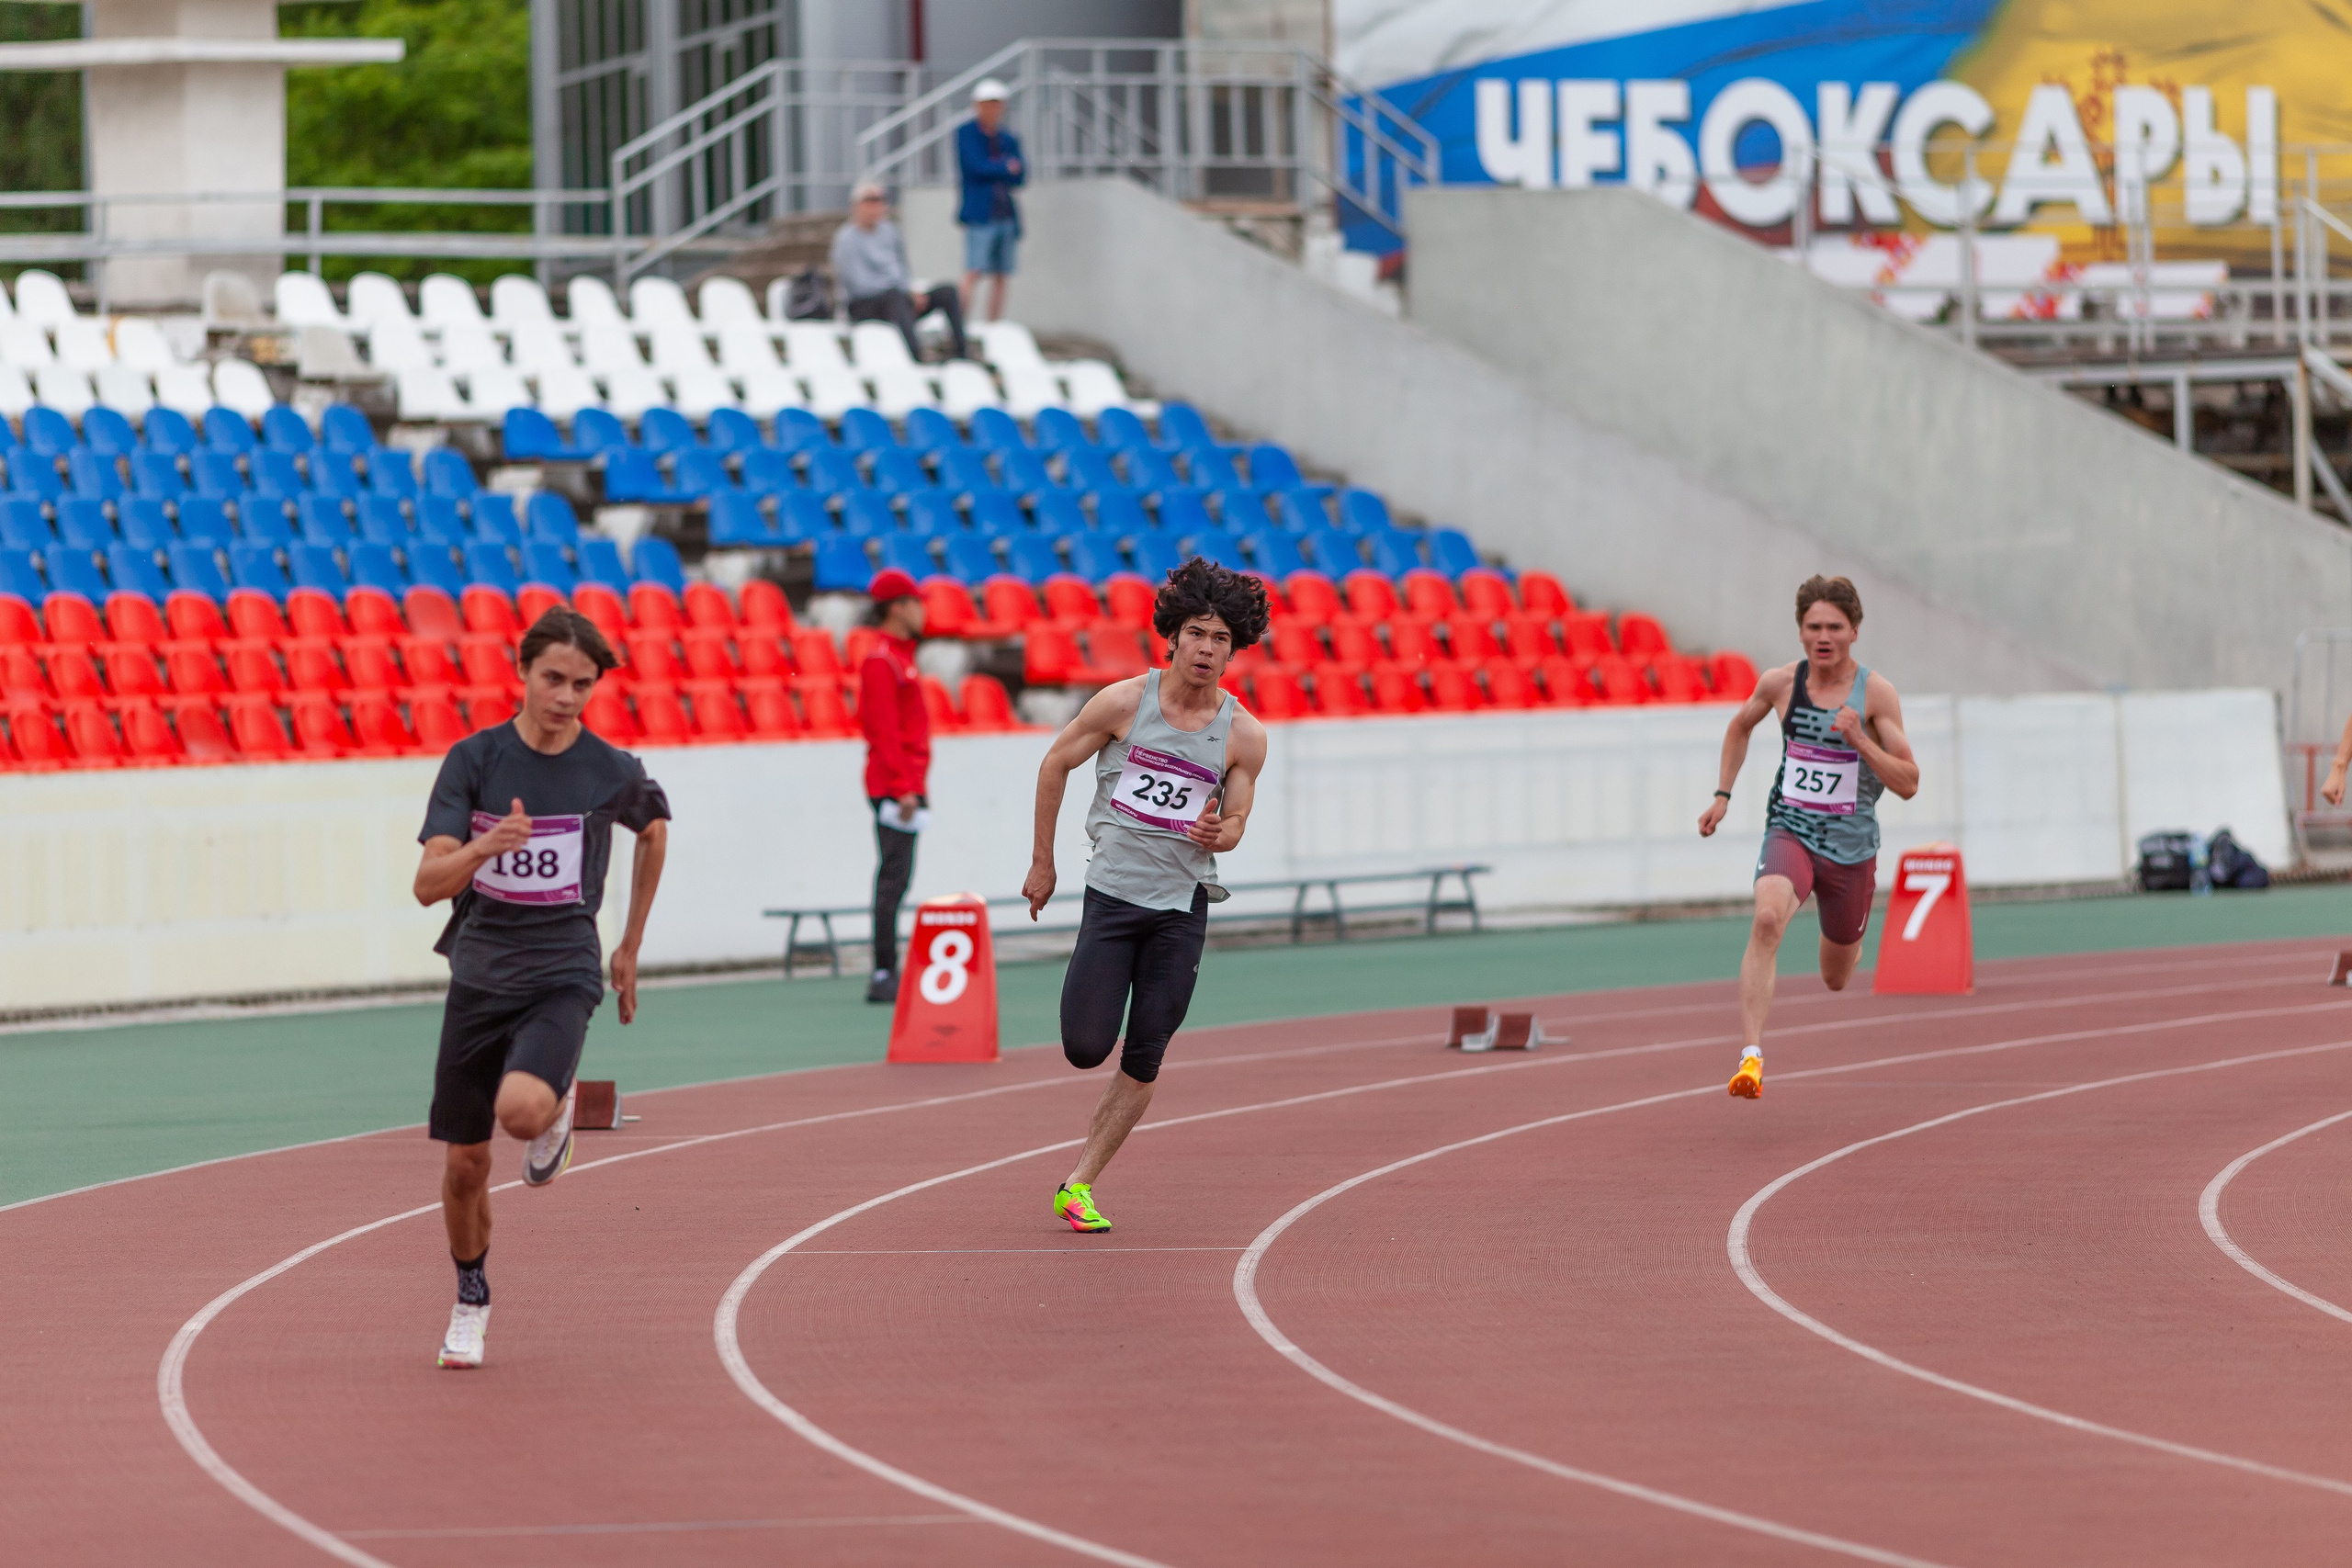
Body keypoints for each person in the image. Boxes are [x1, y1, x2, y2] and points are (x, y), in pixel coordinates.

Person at [413, 607, 671, 1369]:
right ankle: (471, 1299)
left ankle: (554, 1104)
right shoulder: (476, 760)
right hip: (480, 971)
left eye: (581, 684)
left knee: (519, 1112)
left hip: (562, 967)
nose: (565, 696)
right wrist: (486, 846)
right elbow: (428, 883)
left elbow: (653, 830)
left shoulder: (609, 769)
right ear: (521, 672)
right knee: (465, 1164)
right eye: (552, 678)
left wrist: (629, 942)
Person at [1023, 559, 1271, 1232]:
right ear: (1173, 635)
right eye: (1196, 633)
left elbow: (1241, 819)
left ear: (1235, 647)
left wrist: (1224, 832)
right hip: (1111, 900)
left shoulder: (1243, 735)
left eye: (1221, 638)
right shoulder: (1124, 702)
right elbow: (1054, 762)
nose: (1207, 649)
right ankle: (1081, 1162)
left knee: (1146, 1049)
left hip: (1179, 913)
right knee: (1083, 1045)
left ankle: (1079, 1183)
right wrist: (1043, 863)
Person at [1697, 576, 1918, 1099]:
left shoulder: (1876, 694)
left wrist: (1859, 739)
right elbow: (1738, 727)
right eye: (1813, 627)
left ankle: (1848, 936)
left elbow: (1909, 783)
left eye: (1834, 627)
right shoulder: (1780, 683)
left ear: (1855, 632)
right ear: (1800, 632)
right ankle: (1751, 1058)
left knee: (1836, 976)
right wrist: (1722, 796)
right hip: (1791, 828)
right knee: (1768, 917)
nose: (1824, 637)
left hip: (1851, 847)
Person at [859, 568, 931, 1005]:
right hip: (894, 787)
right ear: (898, 607)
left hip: (905, 784)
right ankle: (883, 970)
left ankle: (887, 967)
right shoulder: (882, 660)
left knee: (897, 878)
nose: (923, 611)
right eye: (916, 601)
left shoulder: (900, 657)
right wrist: (904, 787)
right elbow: (882, 731)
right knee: (892, 879)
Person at [831, 179, 969, 363]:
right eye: (870, 200)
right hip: (863, 305)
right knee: (894, 296)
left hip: (898, 300)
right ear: (857, 205)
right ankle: (917, 355)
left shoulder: (890, 232)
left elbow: (902, 269)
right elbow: (857, 284)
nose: (877, 206)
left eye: (880, 200)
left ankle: (962, 352)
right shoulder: (846, 239)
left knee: (947, 292)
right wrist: (901, 292)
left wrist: (909, 292)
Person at [956, 78, 1025, 324]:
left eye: (996, 105)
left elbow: (1021, 174)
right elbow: (975, 167)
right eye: (987, 104)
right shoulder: (967, 133)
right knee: (974, 270)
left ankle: (993, 326)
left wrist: (999, 168)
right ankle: (959, 325)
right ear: (977, 106)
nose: (992, 110)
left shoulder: (1008, 138)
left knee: (1001, 274)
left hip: (1005, 213)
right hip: (980, 214)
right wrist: (1005, 167)